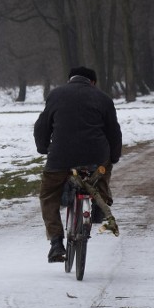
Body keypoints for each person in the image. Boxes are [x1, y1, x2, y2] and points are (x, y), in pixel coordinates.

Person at [33, 66, 122, 263]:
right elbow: (114, 132)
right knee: (102, 174)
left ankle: (56, 242)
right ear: (93, 82)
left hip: (60, 158)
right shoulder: (103, 98)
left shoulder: (56, 95)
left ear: (70, 79)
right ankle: (100, 206)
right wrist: (113, 158)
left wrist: (43, 148)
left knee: (48, 195)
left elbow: (41, 126)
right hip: (96, 157)